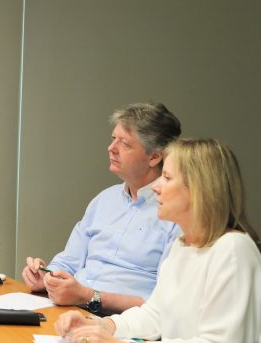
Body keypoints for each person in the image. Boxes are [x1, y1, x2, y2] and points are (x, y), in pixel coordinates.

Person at [55, 139, 261, 343]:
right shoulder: (183, 245)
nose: (155, 187)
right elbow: (156, 314)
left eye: (167, 178)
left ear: (199, 190)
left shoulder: (233, 249)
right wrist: (100, 326)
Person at [22, 102, 182, 314]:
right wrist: (47, 277)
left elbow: (163, 305)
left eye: (124, 144)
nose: (111, 148)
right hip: (71, 310)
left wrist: (88, 296)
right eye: (113, 138)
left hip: (123, 323)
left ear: (154, 156)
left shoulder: (174, 214)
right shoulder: (104, 199)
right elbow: (69, 261)